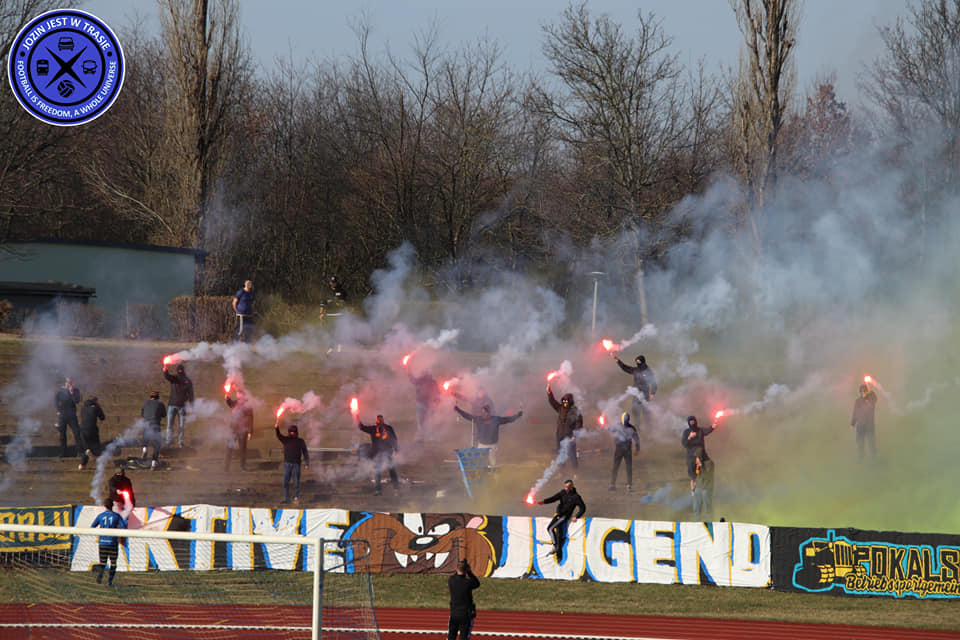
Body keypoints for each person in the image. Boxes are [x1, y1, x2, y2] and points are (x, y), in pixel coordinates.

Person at [453, 404, 523, 467]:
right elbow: (467, 416)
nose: (483, 414)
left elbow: (508, 419)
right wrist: (458, 409)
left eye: (485, 412)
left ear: (488, 412)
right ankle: (482, 478)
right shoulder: (478, 419)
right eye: (482, 412)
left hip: (492, 446)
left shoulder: (496, 419)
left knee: (493, 464)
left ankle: (495, 478)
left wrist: (517, 415)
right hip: (481, 445)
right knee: (480, 464)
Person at [537, 479, 586, 560]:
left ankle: (556, 546)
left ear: (570, 487)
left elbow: (583, 508)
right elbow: (554, 498)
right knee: (550, 528)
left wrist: (576, 516)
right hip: (558, 515)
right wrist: (544, 502)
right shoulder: (563, 492)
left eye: (567, 487)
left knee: (551, 528)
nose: (565, 488)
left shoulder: (576, 497)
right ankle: (556, 546)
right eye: (565, 486)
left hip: (565, 516)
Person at [611, 353, 658, 428]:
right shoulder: (636, 370)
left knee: (646, 412)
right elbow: (625, 368)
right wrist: (617, 360)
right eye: (636, 362)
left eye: (638, 362)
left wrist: (652, 393)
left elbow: (654, 383)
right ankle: (637, 427)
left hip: (645, 395)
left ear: (642, 362)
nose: (637, 363)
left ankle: (649, 427)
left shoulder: (648, 371)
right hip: (636, 394)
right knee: (636, 411)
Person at [357, 414, 399, 496]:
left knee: (392, 471)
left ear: (383, 420)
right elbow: (362, 427)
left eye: (381, 419)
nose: (379, 421)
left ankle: (396, 490)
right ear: (376, 421)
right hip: (377, 454)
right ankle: (378, 491)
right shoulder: (373, 429)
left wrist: (395, 449)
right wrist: (356, 416)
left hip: (387, 453)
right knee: (377, 472)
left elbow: (394, 439)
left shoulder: (388, 429)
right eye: (378, 419)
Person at [91, 497, 128, 587]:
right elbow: (124, 527)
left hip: (102, 543)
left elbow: (92, 526)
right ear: (113, 506)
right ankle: (109, 582)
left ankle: (99, 579)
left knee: (103, 563)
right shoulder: (117, 516)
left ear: (105, 506)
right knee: (113, 563)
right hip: (113, 543)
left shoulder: (101, 516)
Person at [546, 385, 582, 470]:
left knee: (572, 455)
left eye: (567, 401)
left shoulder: (575, 411)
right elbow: (552, 402)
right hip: (559, 435)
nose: (565, 403)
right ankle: (562, 472)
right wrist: (549, 392)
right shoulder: (560, 408)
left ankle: (575, 473)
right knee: (560, 454)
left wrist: (575, 435)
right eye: (564, 401)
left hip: (570, 436)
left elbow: (579, 424)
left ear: (570, 401)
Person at [681, 415, 717, 495]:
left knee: (706, 469)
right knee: (693, 477)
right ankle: (693, 493)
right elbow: (684, 444)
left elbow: (708, 430)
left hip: (702, 456)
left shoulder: (700, 430)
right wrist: (689, 437)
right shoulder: (686, 432)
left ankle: (703, 490)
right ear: (688, 422)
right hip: (691, 458)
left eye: (693, 421)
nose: (692, 423)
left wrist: (713, 426)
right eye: (691, 421)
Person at [275, 423, 309, 503]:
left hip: (296, 465)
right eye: (291, 431)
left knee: (296, 482)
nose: (292, 433)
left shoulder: (300, 441)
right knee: (285, 482)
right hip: (287, 464)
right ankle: (287, 499)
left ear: (296, 432)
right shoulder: (286, 440)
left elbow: (305, 452)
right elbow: (279, 435)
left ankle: (296, 498)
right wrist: (276, 428)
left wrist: (307, 462)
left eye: (293, 431)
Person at [162, 362, 194, 448]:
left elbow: (167, 376)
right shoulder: (187, 380)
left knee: (170, 425)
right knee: (181, 426)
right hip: (181, 406)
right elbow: (191, 394)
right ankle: (180, 443)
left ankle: (169, 441)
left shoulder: (175, 378)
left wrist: (165, 369)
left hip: (172, 405)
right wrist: (191, 406)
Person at [447, 558, 480, 640]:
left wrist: (461, 567)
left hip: (454, 613)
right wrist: (469, 572)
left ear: (456, 569)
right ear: (466, 570)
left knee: (451, 635)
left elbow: (456, 575)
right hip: (465, 614)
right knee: (464, 636)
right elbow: (477, 583)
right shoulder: (468, 583)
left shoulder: (451, 580)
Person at [608, 412, 640, 492]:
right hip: (622, 449)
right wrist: (637, 448)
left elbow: (636, 439)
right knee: (617, 467)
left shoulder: (623, 426)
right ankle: (615, 485)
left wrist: (637, 448)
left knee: (624, 467)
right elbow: (610, 429)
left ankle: (620, 485)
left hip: (625, 450)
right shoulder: (630, 427)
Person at [225, 389, 254, 471]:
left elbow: (251, 419)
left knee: (242, 450)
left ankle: (243, 467)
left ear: (243, 395)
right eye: (237, 394)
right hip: (233, 430)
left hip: (243, 431)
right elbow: (230, 403)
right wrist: (227, 398)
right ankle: (226, 467)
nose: (237, 396)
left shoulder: (248, 406)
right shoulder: (235, 403)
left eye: (239, 394)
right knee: (229, 448)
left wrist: (250, 432)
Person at [409, 369, 442, 442]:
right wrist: (408, 370)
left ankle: (430, 437)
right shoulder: (420, 381)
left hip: (429, 404)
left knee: (430, 422)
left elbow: (438, 392)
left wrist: (436, 401)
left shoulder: (432, 382)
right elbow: (412, 380)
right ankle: (422, 437)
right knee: (422, 422)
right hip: (422, 404)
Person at [54, 376, 82, 459]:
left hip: (72, 415)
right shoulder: (60, 391)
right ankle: (63, 452)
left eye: (71, 382)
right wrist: (58, 410)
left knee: (77, 433)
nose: (70, 384)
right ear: (65, 382)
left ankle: (80, 451)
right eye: (68, 382)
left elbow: (77, 401)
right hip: (62, 415)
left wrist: (72, 393)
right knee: (62, 435)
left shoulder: (75, 390)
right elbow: (55, 401)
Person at [850, 383, 878, 459]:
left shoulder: (871, 400)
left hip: (869, 426)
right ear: (860, 392)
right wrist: (852, 423)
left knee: (871, 443)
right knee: (860, 443)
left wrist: (870, 390)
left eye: (864, 391)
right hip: (860, 426)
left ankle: (874, 458)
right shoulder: (858, 401)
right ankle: (860, 458)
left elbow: (875, 398)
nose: (863, 393)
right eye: (861, 391)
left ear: (866, 391)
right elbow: (855, 412)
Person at [140, 391, 166, 470]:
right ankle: (153, 464)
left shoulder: (144, 404)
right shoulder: (160, 404)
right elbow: (164, 415)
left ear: (150, 397)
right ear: (158, 398)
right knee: (157, 445)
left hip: (146, 425)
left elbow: (142, 415)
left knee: (145, 439)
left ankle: (144, 449)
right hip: (155, 425)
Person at [78, 396, 105, 470]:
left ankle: (82, 465)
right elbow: (102, 417)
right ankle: (100, 463)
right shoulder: (96, 407)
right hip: (92, 429)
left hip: (83, 429)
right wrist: (99, 407)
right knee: (96, 446)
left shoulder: (83, 408)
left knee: (87, 449)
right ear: (96, 401)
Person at [690, 445, 715, 521]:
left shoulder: (710, 463)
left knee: (708, 509)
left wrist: (701, 466)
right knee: (696, 509)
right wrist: (693, 486)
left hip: (706, 489)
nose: (696, 459)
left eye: (697, 457)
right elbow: (696, 475)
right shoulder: (697, 465)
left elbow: (707, 476)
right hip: (698, 488)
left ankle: (710, 524)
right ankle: (697, 524)